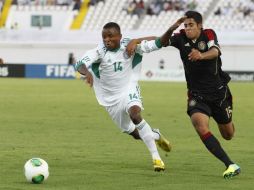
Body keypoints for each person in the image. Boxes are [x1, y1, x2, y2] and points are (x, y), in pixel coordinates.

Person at [127, 11, 240, 179]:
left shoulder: (208, 34)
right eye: (185, 25)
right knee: (200, 125)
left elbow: (215, 51)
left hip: (219, 93)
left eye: (191, 25)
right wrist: (138, 40)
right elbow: (159, 40)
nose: (187, 29)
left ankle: (226, 130)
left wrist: (201, 55)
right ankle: (230, 164)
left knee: (228, 134)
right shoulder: (180, 38)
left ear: (199, 25)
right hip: (197, 95)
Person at [74, 22, 171, 171]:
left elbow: (158, 41)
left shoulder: (130, 46)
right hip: (109, 100)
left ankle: (156, 159)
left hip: (128, 89)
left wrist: (137, 40)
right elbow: (79, 64)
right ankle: (155, 135)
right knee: (136, 134)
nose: (107, 40)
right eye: (104, 37)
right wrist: (86, 73)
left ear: (120, 36)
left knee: (135, 114)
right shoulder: (99, 51)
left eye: (111, 36)